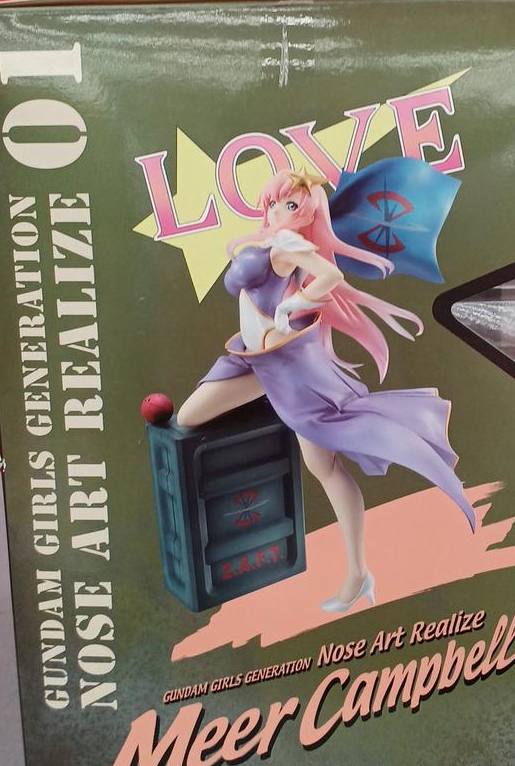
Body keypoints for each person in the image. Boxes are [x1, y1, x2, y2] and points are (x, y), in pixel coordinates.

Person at [176, 168, 475, 613]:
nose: (278, 212)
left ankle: (357, 574)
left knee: (325, 468)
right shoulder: (272, 241)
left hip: (285, 368)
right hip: (255, 359)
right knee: (188, 418)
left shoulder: (288, 243)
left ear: (307, 212)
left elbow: (329, 275)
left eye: (291, 206)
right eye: (274, 204)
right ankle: (359, 574)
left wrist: (292, 305)